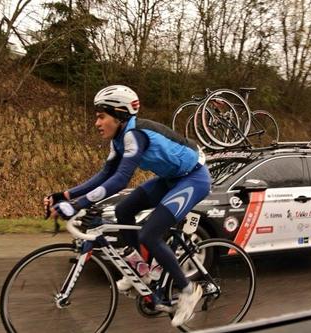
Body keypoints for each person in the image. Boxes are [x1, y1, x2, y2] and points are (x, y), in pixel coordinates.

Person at [44, 85, 211, 327]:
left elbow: (121, 180)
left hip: (193, 178)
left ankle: (188, 290)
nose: (96, 123)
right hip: (171, 179)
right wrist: (65, 195)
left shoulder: (135, 135)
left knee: (150, 234)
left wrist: (78, 204)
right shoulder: (119, 140)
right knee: (123, 211)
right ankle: (141, 271)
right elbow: (105, 175)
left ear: (120, 115)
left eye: (102, 116)